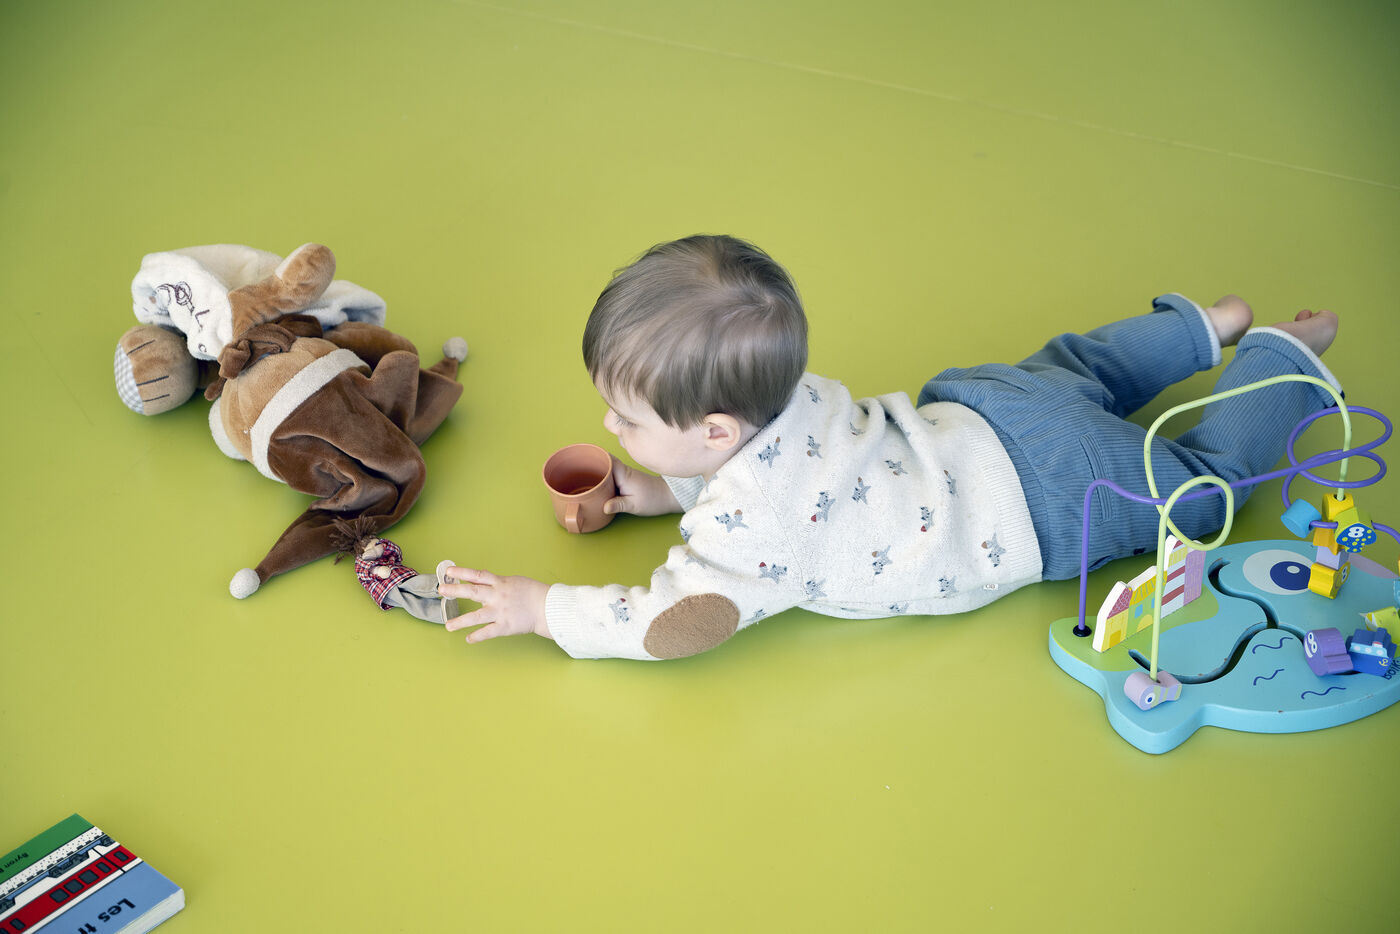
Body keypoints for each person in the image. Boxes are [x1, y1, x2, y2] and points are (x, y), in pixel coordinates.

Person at [439, 235, 1341, 660]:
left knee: (1203, 488)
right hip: (987, 407)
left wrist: (543, 608)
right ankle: (1201, 327)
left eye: (626, 418)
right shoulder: (783, 390)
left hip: (1051, 500)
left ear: (715, 432)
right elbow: (761, 471)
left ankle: (1283, 356)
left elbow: (667, 621)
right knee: (1079, 367)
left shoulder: (752, 531)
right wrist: (655, 487)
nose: (610, 429)